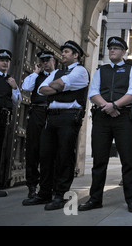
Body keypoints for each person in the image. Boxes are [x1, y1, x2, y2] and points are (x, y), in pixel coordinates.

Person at [22, 40, 89, 210]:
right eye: (63, 51)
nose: (63, 54)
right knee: (45, 156)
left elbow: (57, 85)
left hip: (69, 117)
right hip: (51, 117)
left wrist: (57, 86)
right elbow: (41, 90)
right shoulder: (58, 71)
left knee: (64, 157)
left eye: (67, 51)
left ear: (76, 55)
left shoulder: (81, 71)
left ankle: (61, 195)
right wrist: (58, 87)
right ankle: (44, 193)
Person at [79, 37, 132, 213]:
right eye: (110, 48)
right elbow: (93, 93)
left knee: (128, 161)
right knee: (99, 161)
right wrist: (107, 107)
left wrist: (114, 105)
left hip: (125, 118)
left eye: (116, 48)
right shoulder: (101, 70)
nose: (112, 50)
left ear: (124, 52)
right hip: (102, 118)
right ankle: (95, 199)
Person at [21, 50, 56, 198]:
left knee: (50, 151)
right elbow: (26, 88)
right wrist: (35, 72)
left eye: (48, 60)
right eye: (43, 61)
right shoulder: (37, 77)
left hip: (52, 113)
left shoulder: (59, 75)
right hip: (37, 113)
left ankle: (48, 184)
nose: (45, 63)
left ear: (54, 60)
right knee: (33, 149)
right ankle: (32, 185)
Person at [0, 49, 21, 197]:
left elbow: (17, 101)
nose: (5, 63)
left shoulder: (11, 80)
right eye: (1, 60)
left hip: (2, 118)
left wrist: (14, 87)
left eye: (7, 60)